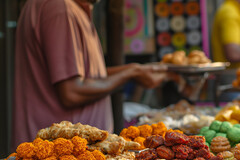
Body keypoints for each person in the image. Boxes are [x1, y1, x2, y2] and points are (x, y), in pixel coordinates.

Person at [12, 0, 167, 149]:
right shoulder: (59, 8)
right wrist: (132, 73)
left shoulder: (67, 7)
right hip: (61, 159)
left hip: (68, 159)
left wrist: (134, 71)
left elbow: (87, 76)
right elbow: (72, 92)